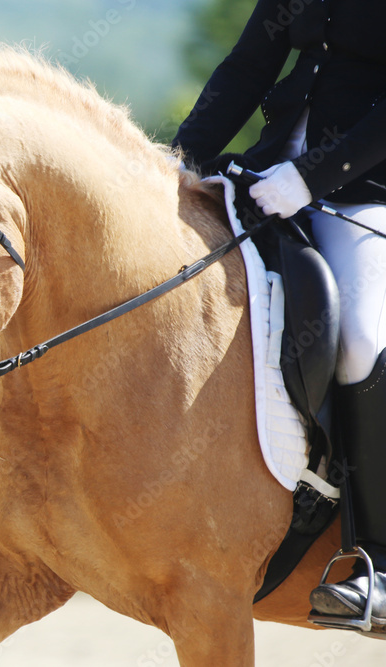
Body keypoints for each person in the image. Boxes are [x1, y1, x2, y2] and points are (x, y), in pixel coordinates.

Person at [171, 0, 386, 632]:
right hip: (269, 175)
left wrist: (314, 178)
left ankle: (377, 566)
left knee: (359, 339)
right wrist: (180, 159)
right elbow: (248, 66)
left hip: (366, 192)